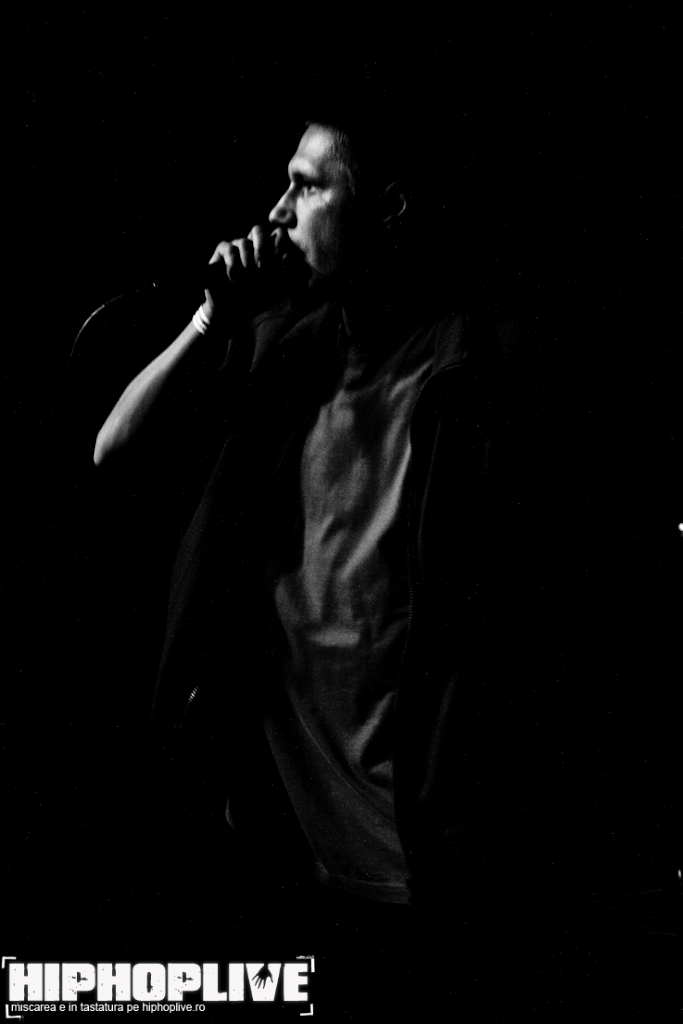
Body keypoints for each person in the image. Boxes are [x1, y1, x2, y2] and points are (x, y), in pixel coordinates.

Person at [92, 116, 677, 1017]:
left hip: (425, 870)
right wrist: (211, 319)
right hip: (273, 847)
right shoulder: (281, 347)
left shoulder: (484, 375)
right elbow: (115, 452)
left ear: (389, 209)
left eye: (308, 186)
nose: (277, 211)